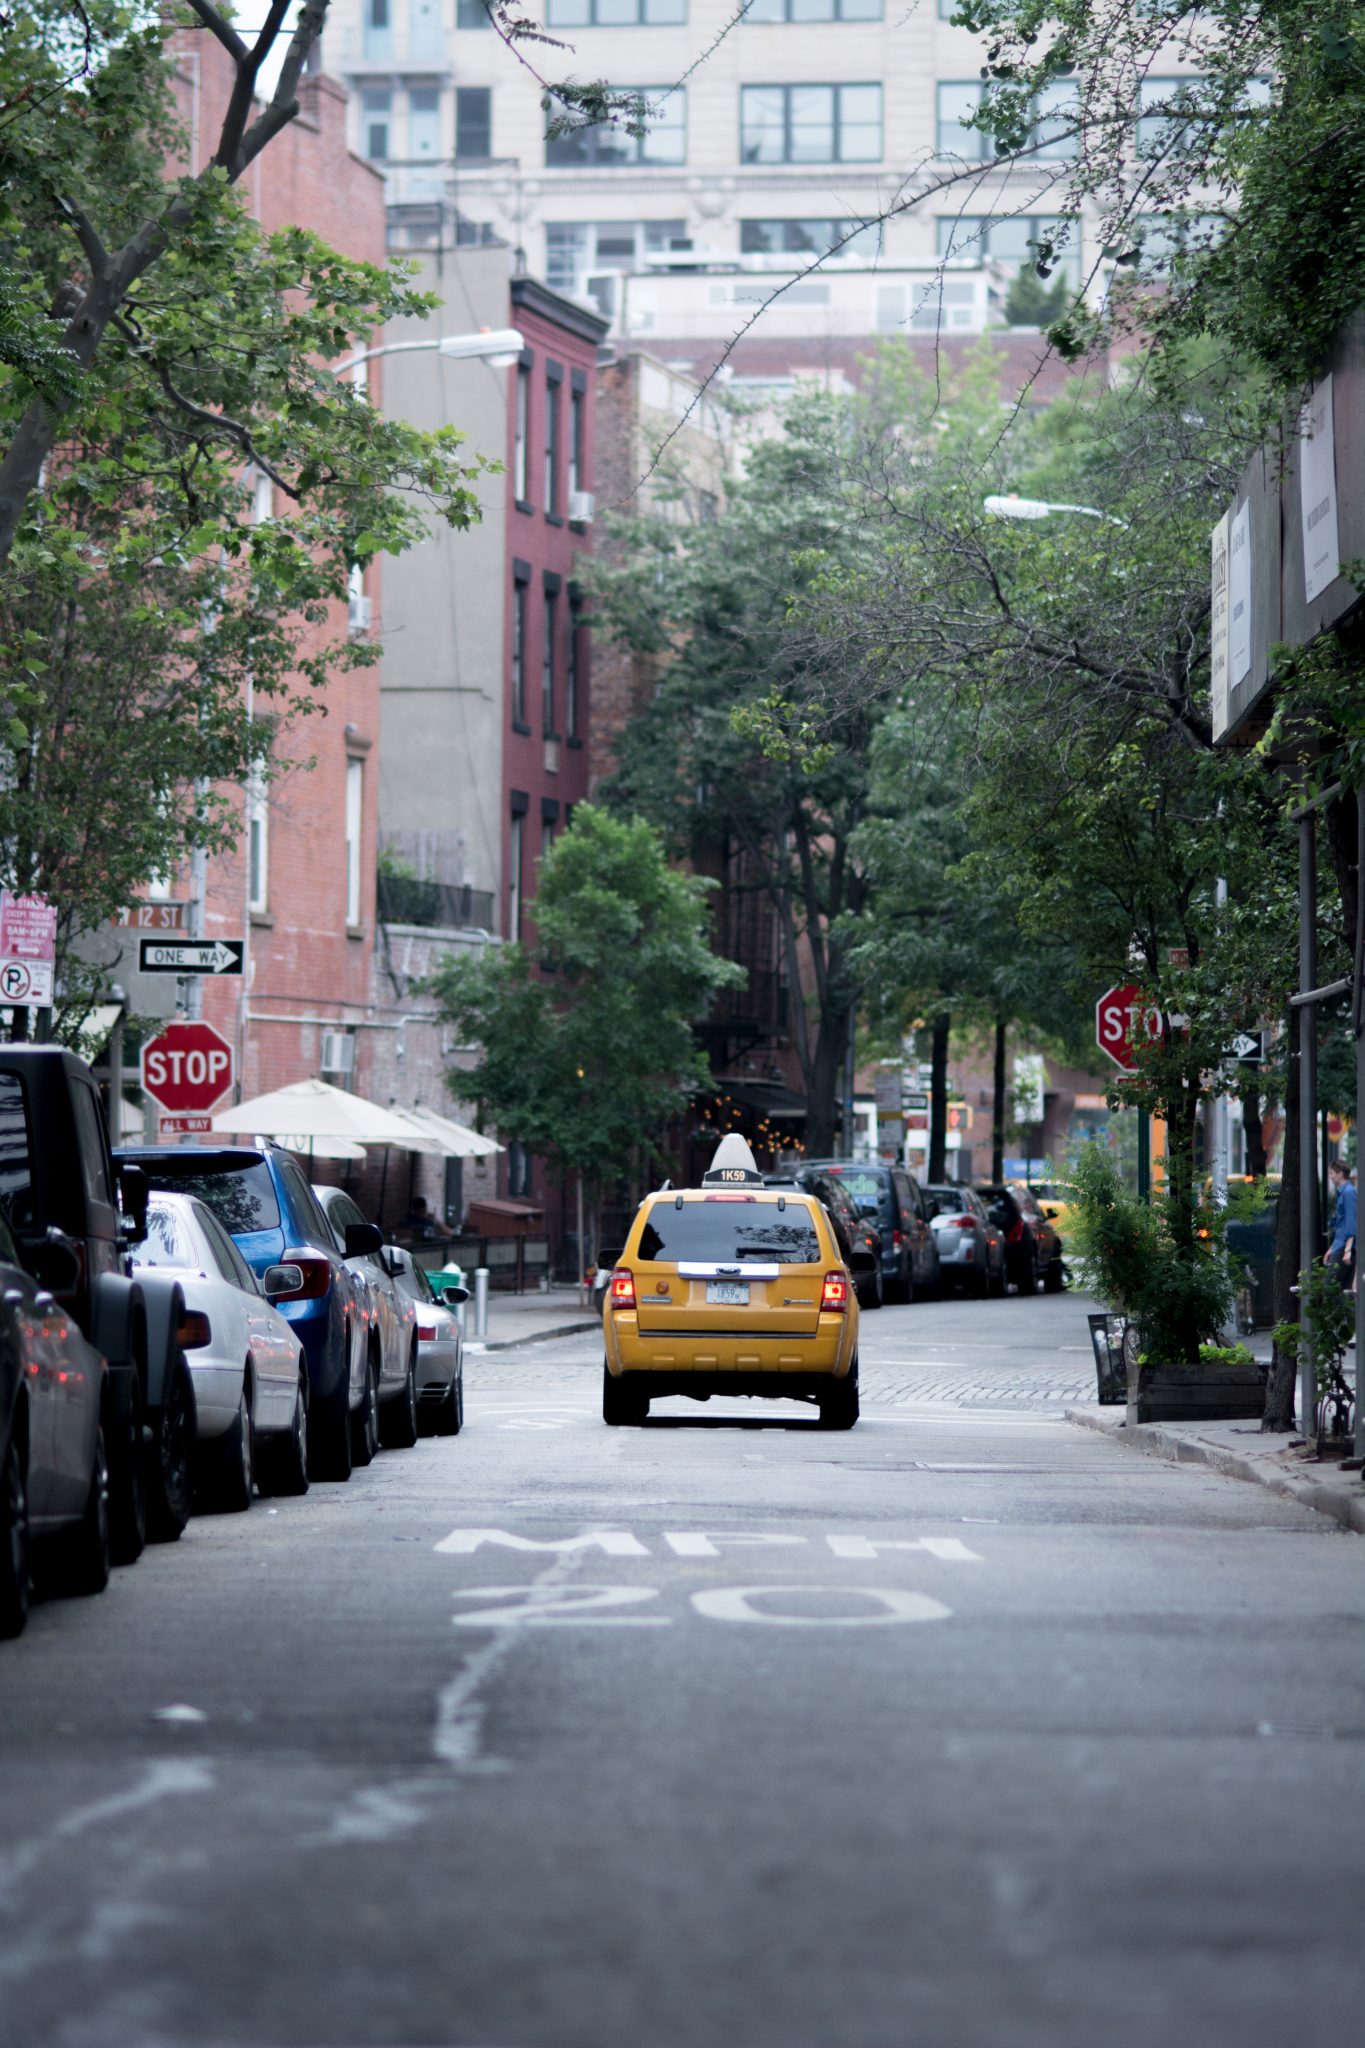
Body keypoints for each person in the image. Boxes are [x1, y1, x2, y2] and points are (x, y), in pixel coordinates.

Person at [1325, 1160, 1355, 1291]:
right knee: (1340, 1289)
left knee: (1330, 1287)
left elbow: (1351, 1222)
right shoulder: (1344, 1192)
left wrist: (1348, 1249)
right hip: (1341, 1246)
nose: (1330, 1176)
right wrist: (1332, 1249)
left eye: (1332, 1173)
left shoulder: (1348, 1192)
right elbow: (1342, 1225)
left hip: (1344, 1248)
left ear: (1340, 1174)